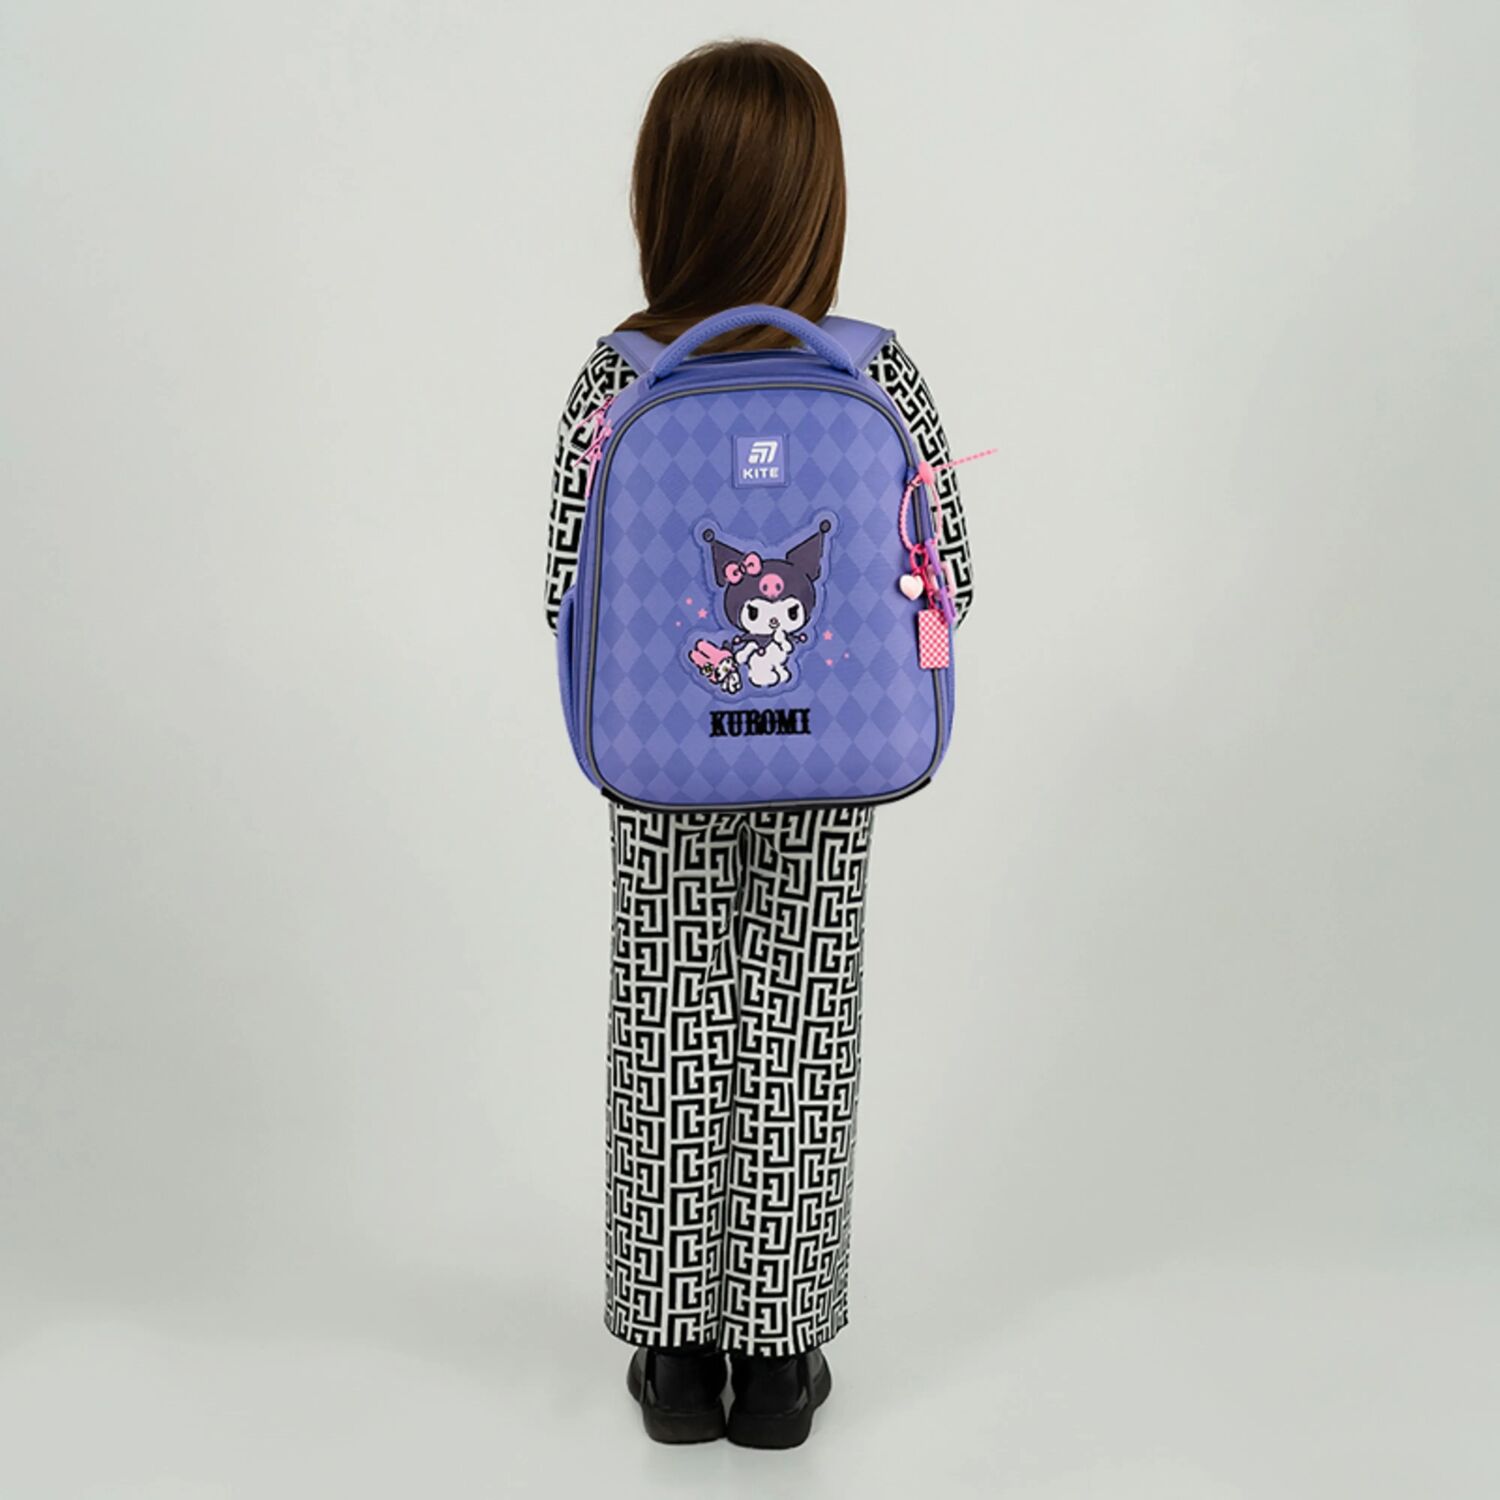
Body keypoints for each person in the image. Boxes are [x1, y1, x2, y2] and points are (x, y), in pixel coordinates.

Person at [543, 37, 975, 1450]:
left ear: (661, 198)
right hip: (830, 765)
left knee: (671, 1023)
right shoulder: (878, 372)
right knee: (801, 1025)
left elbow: (563, 587)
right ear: (818, 200)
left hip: (662, 767)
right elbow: (953, 579)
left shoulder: (615, 380)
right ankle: (781, 1366)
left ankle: (676, 1362)